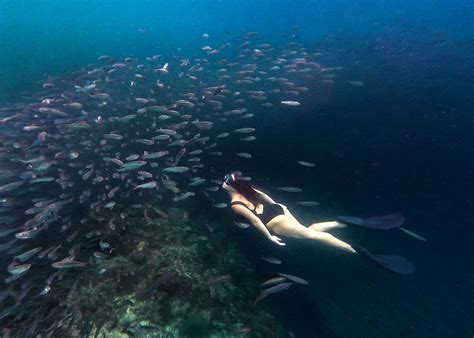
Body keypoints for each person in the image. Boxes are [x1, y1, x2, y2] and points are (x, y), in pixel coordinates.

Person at [222, 172, 415, 274]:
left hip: (274, 221)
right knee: (309, 229)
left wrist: (270, 237)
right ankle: (344, 223)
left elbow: (255, 221)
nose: (222, 184)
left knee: (315, 236)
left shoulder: (235, 204)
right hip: (279, 210)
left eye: (224, 181)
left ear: (229, 186)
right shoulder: (248, 189)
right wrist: (278, 207)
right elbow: (264, 196)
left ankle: (364, 254)